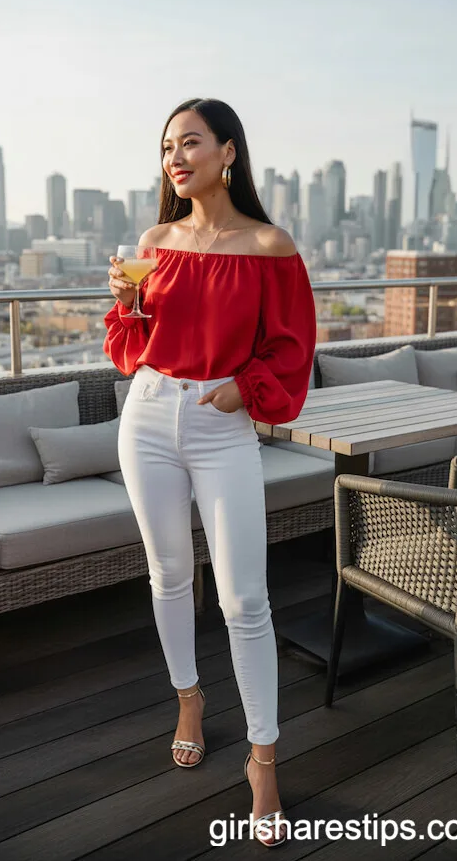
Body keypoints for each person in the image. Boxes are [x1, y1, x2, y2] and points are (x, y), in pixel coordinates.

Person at [104, 97, 316, 847]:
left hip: (222, 426)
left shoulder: (269, 245)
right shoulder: (154, 241)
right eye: (167, 147)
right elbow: (130, 346)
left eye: (190, 142)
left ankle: (264, 761)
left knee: (244, 599)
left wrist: (244, 389)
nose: (175, 158)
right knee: (168, 576)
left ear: (228, 152)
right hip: (148, 414)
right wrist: (128, 304)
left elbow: (293, 347)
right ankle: (189, 700)